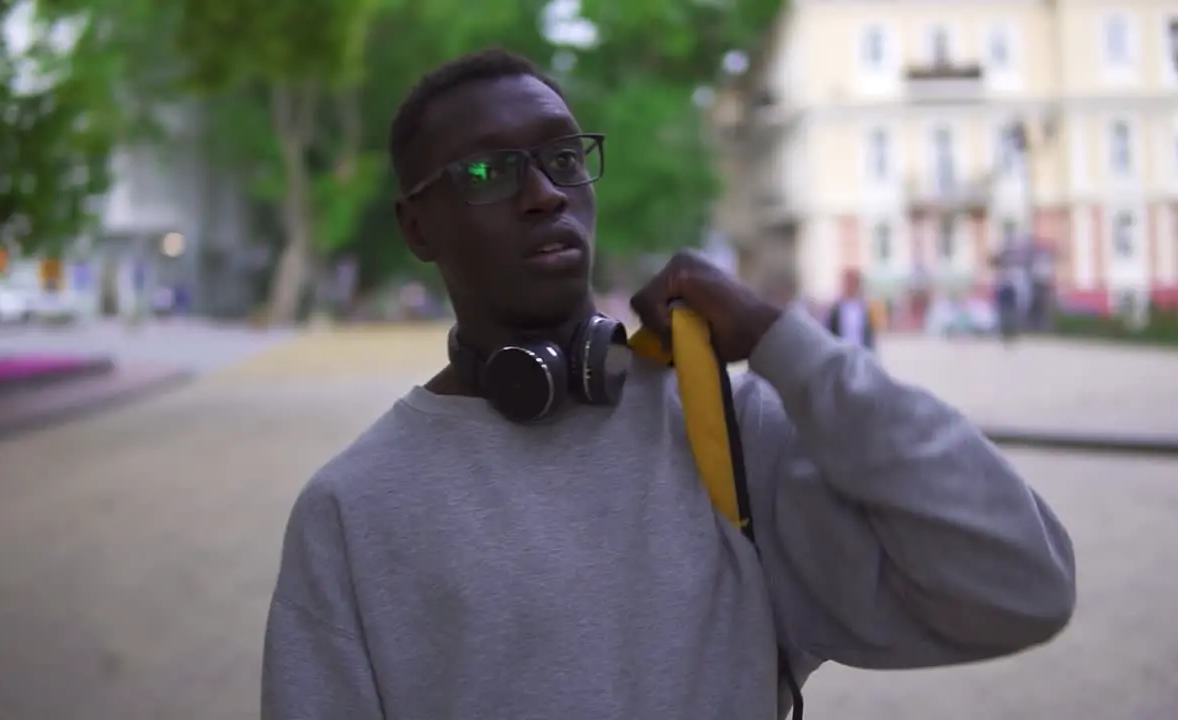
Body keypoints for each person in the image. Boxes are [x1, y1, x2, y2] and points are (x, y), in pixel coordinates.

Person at [261, 49, 1076, 720]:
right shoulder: (352, 511)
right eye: (487, 171)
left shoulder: (726, 433)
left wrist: (782, 344)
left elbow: (1024, 584)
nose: (545, 194)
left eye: (561, 158)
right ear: (416, 228)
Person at [825, 268, 879, 352]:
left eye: (853, 282)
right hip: (841, 353)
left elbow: (870, 335)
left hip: (861, 353)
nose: (850, 285)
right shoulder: (836, 309)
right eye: (848, 282)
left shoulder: (865, 308)